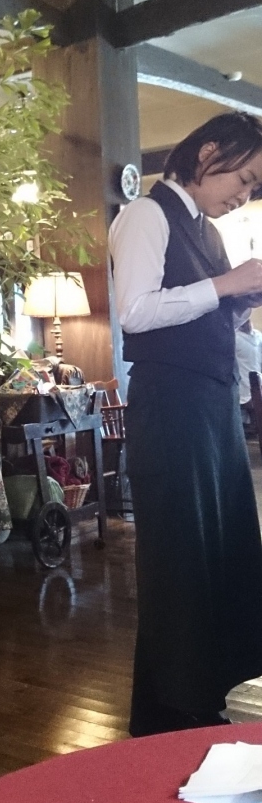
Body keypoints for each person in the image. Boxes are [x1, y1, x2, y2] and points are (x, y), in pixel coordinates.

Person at [109, 112, 262, 736]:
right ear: (208, 152)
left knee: (220, 550)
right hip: (171, 409)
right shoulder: (145, 215)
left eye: (253, 189)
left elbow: (214, 321)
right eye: (244, 179)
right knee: (179, 558)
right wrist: (226, 284)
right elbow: (136, 313)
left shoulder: (209, 233)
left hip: (212, 407)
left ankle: (207, 692)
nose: (244, 195)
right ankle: (173, 708)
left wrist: (240, 303)